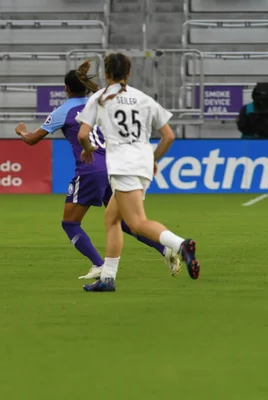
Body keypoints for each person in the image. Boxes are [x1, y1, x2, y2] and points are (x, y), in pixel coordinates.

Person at [15, 61, 180, 280]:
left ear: (66, 88)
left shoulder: (62, 112)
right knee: (124, 222)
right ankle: (165, 249)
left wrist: (22, 131)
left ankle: (99, 264)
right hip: (114, 168)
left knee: (70, 223)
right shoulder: (100, 104)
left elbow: (32, 140)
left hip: (89, 169)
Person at [76, 52, 200, 292]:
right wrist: (151, 158)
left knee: (136, 223)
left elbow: (83, 134)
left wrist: (87, 148)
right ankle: (107, 279)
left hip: (123, 165)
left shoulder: (100, 98)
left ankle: (181, 244)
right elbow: (169, 136)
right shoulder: (143, 98)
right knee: (112, 219)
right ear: (129, 73)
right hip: (140, 163)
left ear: (106, 73)